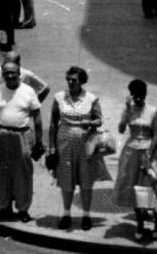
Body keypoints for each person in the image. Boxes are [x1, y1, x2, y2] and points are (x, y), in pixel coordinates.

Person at [48, 65, 108, 231]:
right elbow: (53, 123)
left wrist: (88, 122)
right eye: (68, 79)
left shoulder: (91, 98)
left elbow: (99, 120)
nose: (70, 82)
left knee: (85, 181)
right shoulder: (59, 97)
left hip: (85, 145)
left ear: (81, 81)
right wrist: (52, 147)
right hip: (64, 143)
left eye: (73, 80)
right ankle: (66, 214)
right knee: (66, 180)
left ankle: (86, 216)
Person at [0, 60, 44, 223]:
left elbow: (37, 117)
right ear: (2, 75)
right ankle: (4, 208)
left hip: (22, 136)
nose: (10, 76)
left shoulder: (28, 91)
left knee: (22, 174)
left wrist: (38, 141)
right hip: (2, 135)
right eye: (6, 73)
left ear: (19, 74)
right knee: (1, 174)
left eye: (13, 73)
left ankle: (23, 209)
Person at [113, 78, 157, 242]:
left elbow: (155, 135)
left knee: (152, 186)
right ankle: (140, 224)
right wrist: (126, 110)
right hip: (131, 151)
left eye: (141, 95)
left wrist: (148, 156)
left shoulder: (152, 111)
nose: (138, 98)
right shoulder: (129, 110)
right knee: (133, 188)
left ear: (145, 94)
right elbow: (122, 129)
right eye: (135, 95)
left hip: (148, 152)